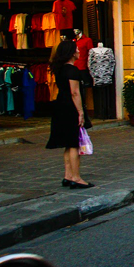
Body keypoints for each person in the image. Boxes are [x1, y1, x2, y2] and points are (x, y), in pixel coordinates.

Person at [46, 40, 94, 189]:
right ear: (72, 52)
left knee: (68, 143)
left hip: (60, 105)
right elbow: (75, 93)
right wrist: (80, 112)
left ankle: (67, 175)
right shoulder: (72, 71)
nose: (79, 51)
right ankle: (76, 177)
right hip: (70, 107)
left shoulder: (59, 69)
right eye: (77, 49)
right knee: (74, 143)